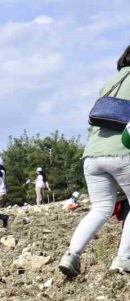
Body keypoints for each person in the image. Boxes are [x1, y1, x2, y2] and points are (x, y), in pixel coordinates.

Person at [59, 45, 130, 276]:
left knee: (99, 208)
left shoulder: (109, 84)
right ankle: (122, 261)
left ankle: (71, 255)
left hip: (92, 155)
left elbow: (93, 124)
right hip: (123, 151)